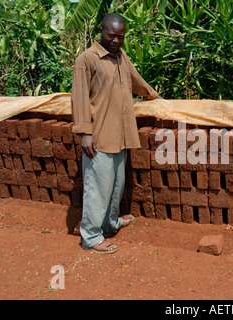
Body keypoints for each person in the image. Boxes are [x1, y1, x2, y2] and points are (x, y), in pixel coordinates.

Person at [71, 12, 161, 254]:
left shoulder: (121, 57)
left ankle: (110, 223)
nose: (116, 40)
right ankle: (90, 236)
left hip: (120, 134)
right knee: (98, 187)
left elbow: (136, 81)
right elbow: (78, 98)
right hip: (99, 136)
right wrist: (84, 132)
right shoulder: (87, 60)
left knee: (116, 185)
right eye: (112, 35)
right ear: (101, 31)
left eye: (121, 36)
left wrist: (155, 97)